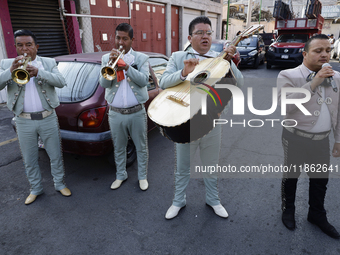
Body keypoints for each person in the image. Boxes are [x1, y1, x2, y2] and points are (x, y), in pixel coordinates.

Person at [159, 16, 243, 219]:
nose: (205, 36)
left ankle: (213, 200)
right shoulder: (179, 56)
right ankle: (178, 201)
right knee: (182, 167)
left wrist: (230, 62)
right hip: (184, 123)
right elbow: (163, 82)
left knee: (211, 165)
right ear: (190, 37)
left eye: (208, 33)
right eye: (200, 33)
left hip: (211, 122)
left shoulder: (219, 57)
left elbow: (238, 84)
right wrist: (183, 72)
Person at [277, 34, 340, 239]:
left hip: (321, 140)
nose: (324, 54)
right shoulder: (288, 75)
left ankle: (316, 214)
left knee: (320, 180)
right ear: (305, 54)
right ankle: (288, 210)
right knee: (291, 178)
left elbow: (338, 112)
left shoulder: (336, 77)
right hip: (294, 137)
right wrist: (314, 83)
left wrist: (338, 139)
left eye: (327, 50)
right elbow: (286, 107)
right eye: (318, 50)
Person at [0, 29, 71, 204]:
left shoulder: (47, 63)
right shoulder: (7, 64)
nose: (24, 49)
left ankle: (60, 184)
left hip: (48, 117)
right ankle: (35, 188)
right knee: (29, 157)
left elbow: (61, 82)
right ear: (15, 47)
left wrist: (39, 72)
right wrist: (11, 70)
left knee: (55, 155)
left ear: (36, 47)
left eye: (28, 45)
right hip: (23, 120)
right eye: (20, 45)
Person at [99, 23, 149, 191]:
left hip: (136, 112)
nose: (121, 42)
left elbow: (143, 81)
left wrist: (126, 67)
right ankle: (121, 175)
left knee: (141, 147)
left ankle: (142, 177)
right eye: (118, 38)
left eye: (125, 39)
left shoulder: (141, 58)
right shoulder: (107, 58)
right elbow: (104, 83)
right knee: (118, 147)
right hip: (116, 113)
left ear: (132, 40)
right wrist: (111, 63)